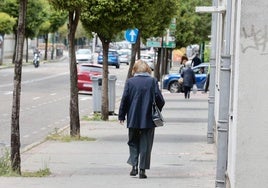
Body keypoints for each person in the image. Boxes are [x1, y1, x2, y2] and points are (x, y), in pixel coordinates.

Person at [118, 60, 165, 179]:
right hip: (148, 118)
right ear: (148, 70)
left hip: (133, 117)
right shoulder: (152, 81)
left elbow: (125, 99)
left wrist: (121, 115)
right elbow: (160, 99)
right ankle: (142, 170)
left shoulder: (130, 82)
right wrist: (156, 109)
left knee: (133, 141)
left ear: (135, 70)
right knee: (146, 143)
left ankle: (134, 166)